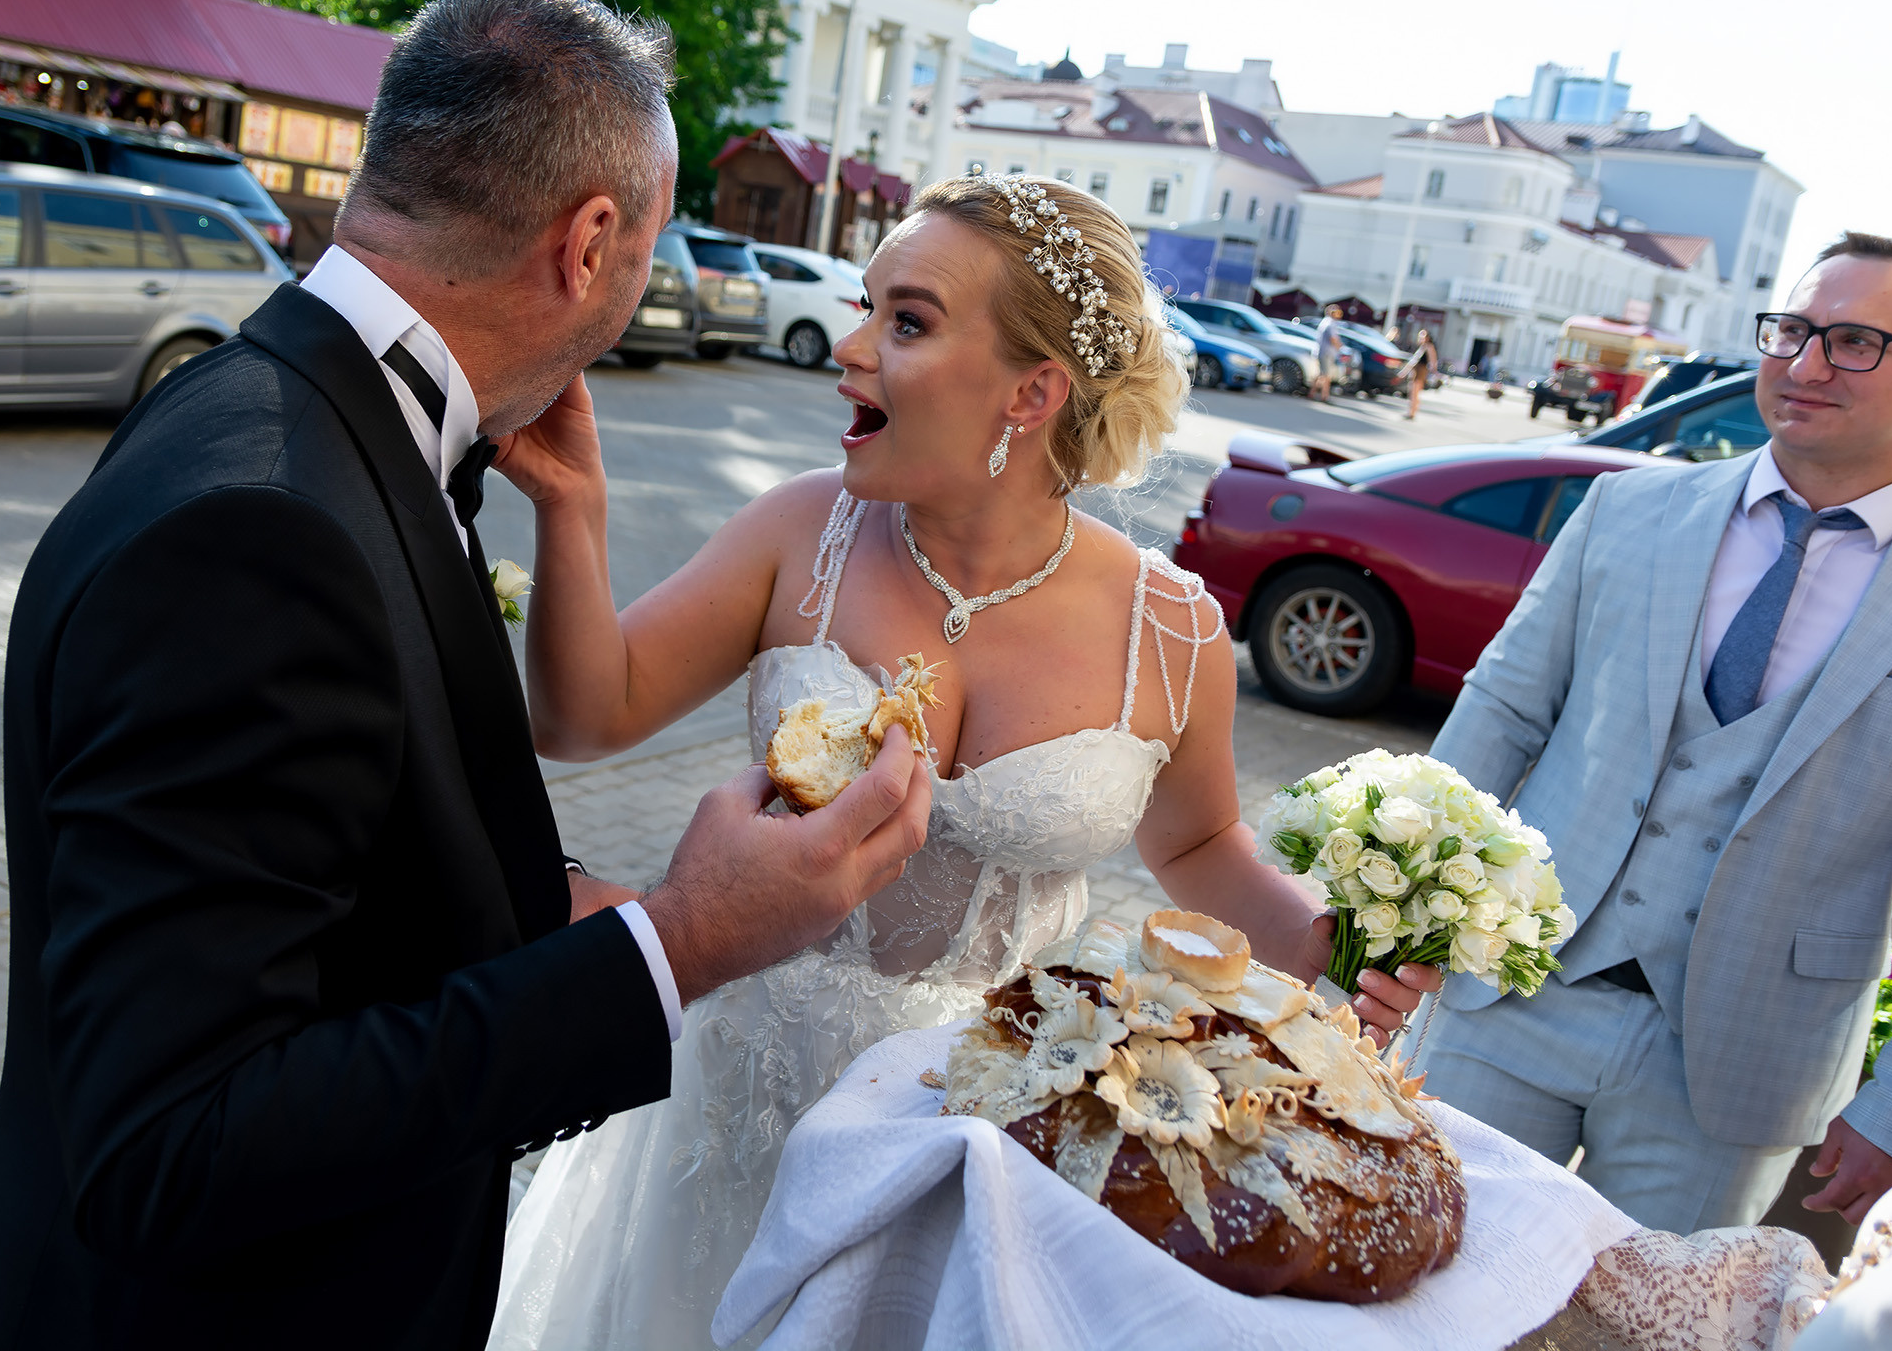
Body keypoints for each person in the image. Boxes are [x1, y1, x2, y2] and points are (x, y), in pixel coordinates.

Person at [0, 0, 933, 1351]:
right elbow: (173, 1143)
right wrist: (678, 943)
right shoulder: (262, 530)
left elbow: (328, 869)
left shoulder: (282, 408)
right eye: (651, 238)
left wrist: (555, 907)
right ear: (588, 243)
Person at [487, 175, 1438, 1348]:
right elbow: (587, 718)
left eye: (908, 320)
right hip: (738, 1105)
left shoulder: (1174, 626)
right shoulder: (801, 532)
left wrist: (1330, 951)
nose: (849, 348)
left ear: (1032, 392)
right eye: (867, 306)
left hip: (990, 1131)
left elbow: (1195, 842)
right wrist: (574, 508)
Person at [1418, 232, 1892, 1237]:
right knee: (1410, 1281)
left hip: (1743, 1065)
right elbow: (1501, 712)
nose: (1806, 363)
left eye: (1856, 341)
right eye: (1791, 330)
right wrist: (1384, 930)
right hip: (1509, 995)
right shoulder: (1626, 509)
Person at [1311, 304, 1345, 399]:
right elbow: (1333, 339)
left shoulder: (1325, 322)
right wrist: (1339, 346)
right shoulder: (1330, 323)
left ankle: (1312, 393)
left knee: (1321, 374)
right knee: (1326, 376)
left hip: (1322, 352)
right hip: (1327, 353)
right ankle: (1324, 396)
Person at [1405, 327, 1440, 420]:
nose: (1420, 338)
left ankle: (1412, 412)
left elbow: (1433, 360)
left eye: (1422, 336)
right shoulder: (1422, 347)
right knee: (1413, 392)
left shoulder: (1429, 346)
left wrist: (1435, 372)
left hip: (1421, 370)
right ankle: (1411, 411)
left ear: (1427, 337)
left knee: (1415, 392)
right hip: (1417, 370)